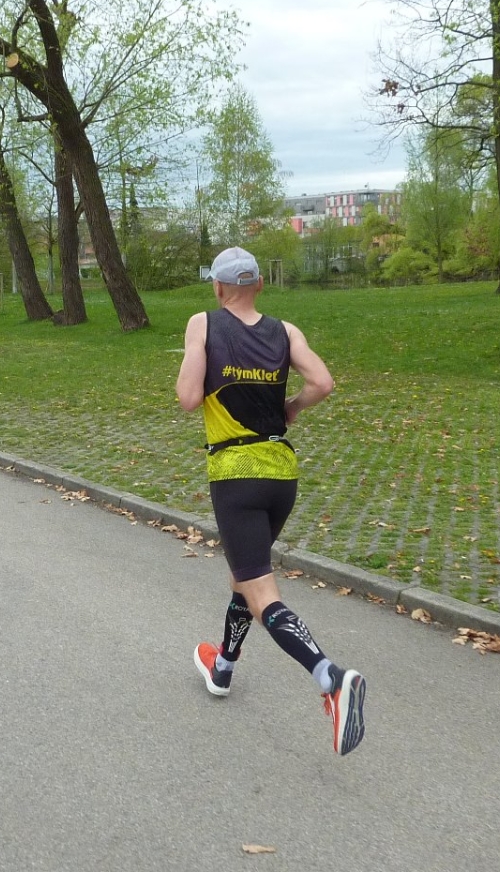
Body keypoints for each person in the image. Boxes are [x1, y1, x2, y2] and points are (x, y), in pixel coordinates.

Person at [176, 246, 366, 756]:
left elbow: (189, 397)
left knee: (262, 593)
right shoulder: (286, 331)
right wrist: (293, 407)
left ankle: (330, 678)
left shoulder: (204, 322)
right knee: (246, 575)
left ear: (217, 289)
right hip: (281, 476)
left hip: (235, 475)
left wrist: (199, 343)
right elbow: (322, 382)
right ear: (260, 284)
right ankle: (223, 667)